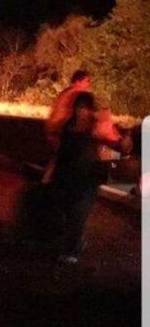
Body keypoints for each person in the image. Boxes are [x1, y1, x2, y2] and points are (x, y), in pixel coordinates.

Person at [51, 92, 131, 264]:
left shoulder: (96, 129)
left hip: (87, 180)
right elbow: (61, 153)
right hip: (67, 177)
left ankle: (71, 252)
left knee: (78, 214)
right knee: (68, 213)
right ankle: (75, 243)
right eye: (79, 108)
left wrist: (125, 140)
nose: (82, 112)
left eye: (86, 108)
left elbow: (116, 148)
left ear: (90, 110)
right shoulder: (69, 127)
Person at [42, 70, 92, 184]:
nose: (88, 84)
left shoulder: (67, 92)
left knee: (59, 158)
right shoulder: (75, 94)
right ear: (78, 81)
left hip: (56, 129)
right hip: (59, 131)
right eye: (87, 81)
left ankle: (48, 183)